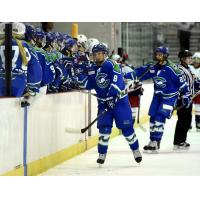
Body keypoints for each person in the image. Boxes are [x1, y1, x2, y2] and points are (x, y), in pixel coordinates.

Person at [76, 43, 142, 166]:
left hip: (119, 102)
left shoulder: (112, 64)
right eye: (95, 54)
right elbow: (87, 85)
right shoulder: (92, 69)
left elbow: (117, 81)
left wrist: (112, 96)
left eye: (99, 53)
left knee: (126, 129)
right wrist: (79, 73)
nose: (97, 56)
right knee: (104, 129)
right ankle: (102, 154)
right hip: (103, 103)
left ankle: (135, 150)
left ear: (105, 54)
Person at [126, 46, 191, 152]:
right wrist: (125, 76)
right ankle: (152, 141)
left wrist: (186, 94)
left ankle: (156, 142)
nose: (158, 56)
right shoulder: (153, 67)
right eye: (157, 54)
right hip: (157, 96)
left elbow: (182, 82)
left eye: (160, 54)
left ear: (166, 55)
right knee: (153, 118)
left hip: (169, 97)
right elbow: (139, 72)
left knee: (160, 117)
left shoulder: (172, 68)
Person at [0, 22, 42, 100]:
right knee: (15, 110)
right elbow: (35, 68)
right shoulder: (26, 45)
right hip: (19, 83)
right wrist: (33, 88)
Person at [173, 50, 194, 149]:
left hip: (189, 98)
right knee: (182, 120)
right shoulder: (179, 69)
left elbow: (190, 82)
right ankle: (178, 141)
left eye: (191, 57)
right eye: (188, 57)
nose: (190, 59)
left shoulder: (188, 68)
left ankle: (182, 140)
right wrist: (182, 96)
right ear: (182, 59)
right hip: (182, 99)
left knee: (187, 120)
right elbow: (178, 85)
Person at [192, 52, 200, 131]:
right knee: (188, 107)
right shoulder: (189, 68)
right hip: (190, 91)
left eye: (198, 59)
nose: (196, 61)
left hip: (198, 92)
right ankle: (189, 124)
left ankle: (198, 122)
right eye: (194, 59)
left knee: (198, 108)